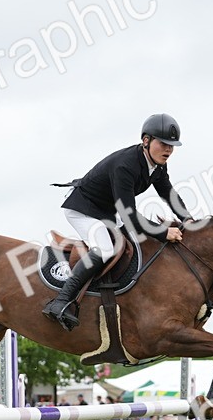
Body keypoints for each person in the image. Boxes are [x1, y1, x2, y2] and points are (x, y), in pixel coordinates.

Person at [43, 113, 192, 331]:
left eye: (172, 145)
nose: (168, 149)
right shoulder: (126, 166)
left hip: (106, 211)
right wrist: (163, 233)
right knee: (105, 249)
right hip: (82, 209)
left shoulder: (158, 166)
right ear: (146, 141)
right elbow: (129, 215)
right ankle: (60, 302)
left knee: (134, 245)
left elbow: (168, 193)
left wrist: (188, 219)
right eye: (163, 143)